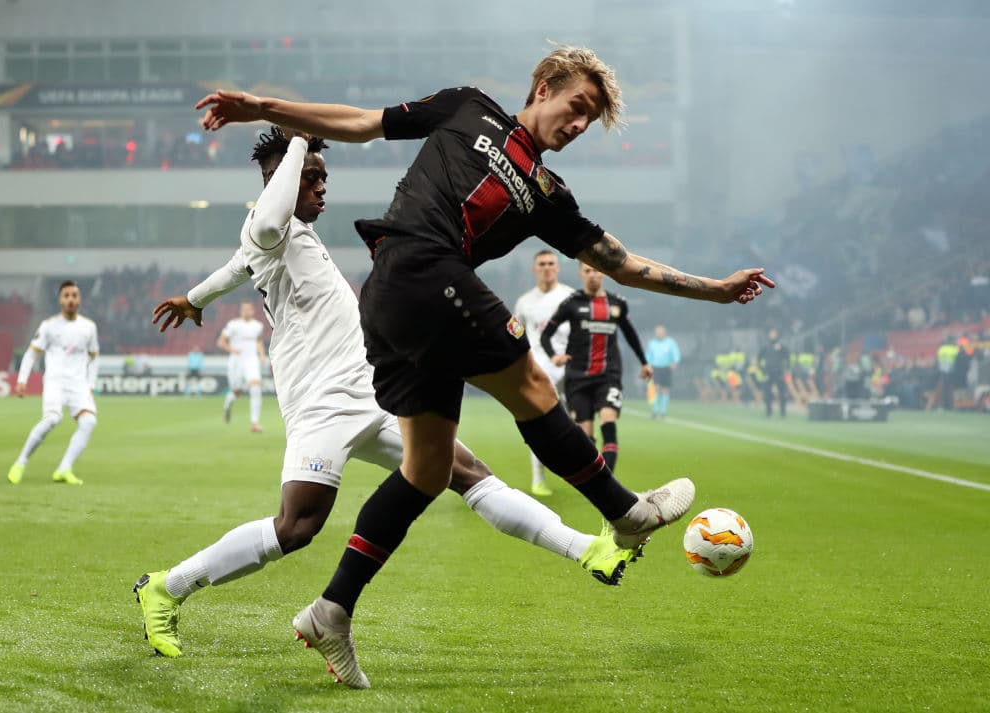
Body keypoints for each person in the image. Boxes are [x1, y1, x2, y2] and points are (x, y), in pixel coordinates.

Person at [196, 44, 774, 686]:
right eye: (577, 105)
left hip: (404, 307)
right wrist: (261, 107)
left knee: (426, 471)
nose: (579, 124)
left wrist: (716, 290)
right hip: (417, 269)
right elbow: (361, 122)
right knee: (532, 384)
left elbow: (621, 263)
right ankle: (626, 513)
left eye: (589, 120)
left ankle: (331, 610)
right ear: (545, 85)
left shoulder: (548, 193)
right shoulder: (467, 108)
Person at [134, 127, 639, 665]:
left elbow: (238, 264)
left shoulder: (290, 235)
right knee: (297, 527)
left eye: (324, 177)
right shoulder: (267, 227)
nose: (322, 187)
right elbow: (261, 228)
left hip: (371, 392)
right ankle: (166, 587)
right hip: (322, 403)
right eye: (311, 178)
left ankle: (587, 548)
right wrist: (299, 142)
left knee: (467, 473)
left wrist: (195, 298)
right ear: (281, 179)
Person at [540, 262, 651, 475]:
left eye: (596, 270)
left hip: (609, 376)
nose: (592, 275)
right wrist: (554, 356)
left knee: (609, 425)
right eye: (587, 271)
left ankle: (608, 483)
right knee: (585, 439)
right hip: (577, 378)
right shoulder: (571, 303)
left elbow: (631, 335)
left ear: (604, 273)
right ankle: (597, 482)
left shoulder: (617, 303)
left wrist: (644, 362)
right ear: (581, 274)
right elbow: (546, 335)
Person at [6, 281, 99, 486]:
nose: (71, 299)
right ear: (60, 300)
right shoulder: (49, 326)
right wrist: (22, 380)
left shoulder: (89, 327)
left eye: (74, 295)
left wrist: (91, 385)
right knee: (52, 419)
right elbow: (31, 354)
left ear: (79, 299)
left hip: (78, 384)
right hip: (55, 382)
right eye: (66, 295)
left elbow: (94, 358)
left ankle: (64, 468)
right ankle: (20, 463)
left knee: (89, 422)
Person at [513, 249, 574, 496]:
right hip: (538, 370)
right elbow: (516, 334)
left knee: (573, 425)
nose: (547, 267)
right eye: (542, 264)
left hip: (568, 369)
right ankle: (538, 478)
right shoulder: (524, 302)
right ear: (534, 268)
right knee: (539, 424)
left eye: (551, 263)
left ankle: (578, 472)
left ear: (557, 267)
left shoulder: (570, 297)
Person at [218, 301, 267, 431]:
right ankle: (228, 403)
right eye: (244, 309)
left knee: (256, 386)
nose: (246, 311)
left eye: (249, 309)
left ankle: (254, 423)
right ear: (240, 311)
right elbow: (221, 342)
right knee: (237, 392)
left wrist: (262, 355)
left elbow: (259, 341)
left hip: (251, 360)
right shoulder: (233, 325)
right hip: (236, 361)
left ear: (253, 311)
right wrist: (232, 350)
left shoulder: (258, 325)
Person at [646, 325, 680, 418]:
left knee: (665, 390)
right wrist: (647, 364)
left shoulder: (670, 342)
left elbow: (676, 353)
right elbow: (648, 355)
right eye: (658, 332)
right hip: (655, 368)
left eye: (661, 332)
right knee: (655, 388)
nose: (659, 334)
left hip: (666, 368)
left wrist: (675, 362)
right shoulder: (652, 343)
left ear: (665, 333)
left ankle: (663, 412)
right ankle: (655, 411)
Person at [759, 327, 790, 417]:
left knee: (782, 392)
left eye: (774, 333)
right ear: (769, 335)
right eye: (771, 333)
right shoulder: (766, 346)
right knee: (767, 392)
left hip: (779, 372)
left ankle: (783, 411)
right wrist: (762, 369)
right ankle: (768, 411)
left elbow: (787, 356)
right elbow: (759, 357)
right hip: (768, 372)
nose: (773, 335)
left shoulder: (781, 346)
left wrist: (787, 368)